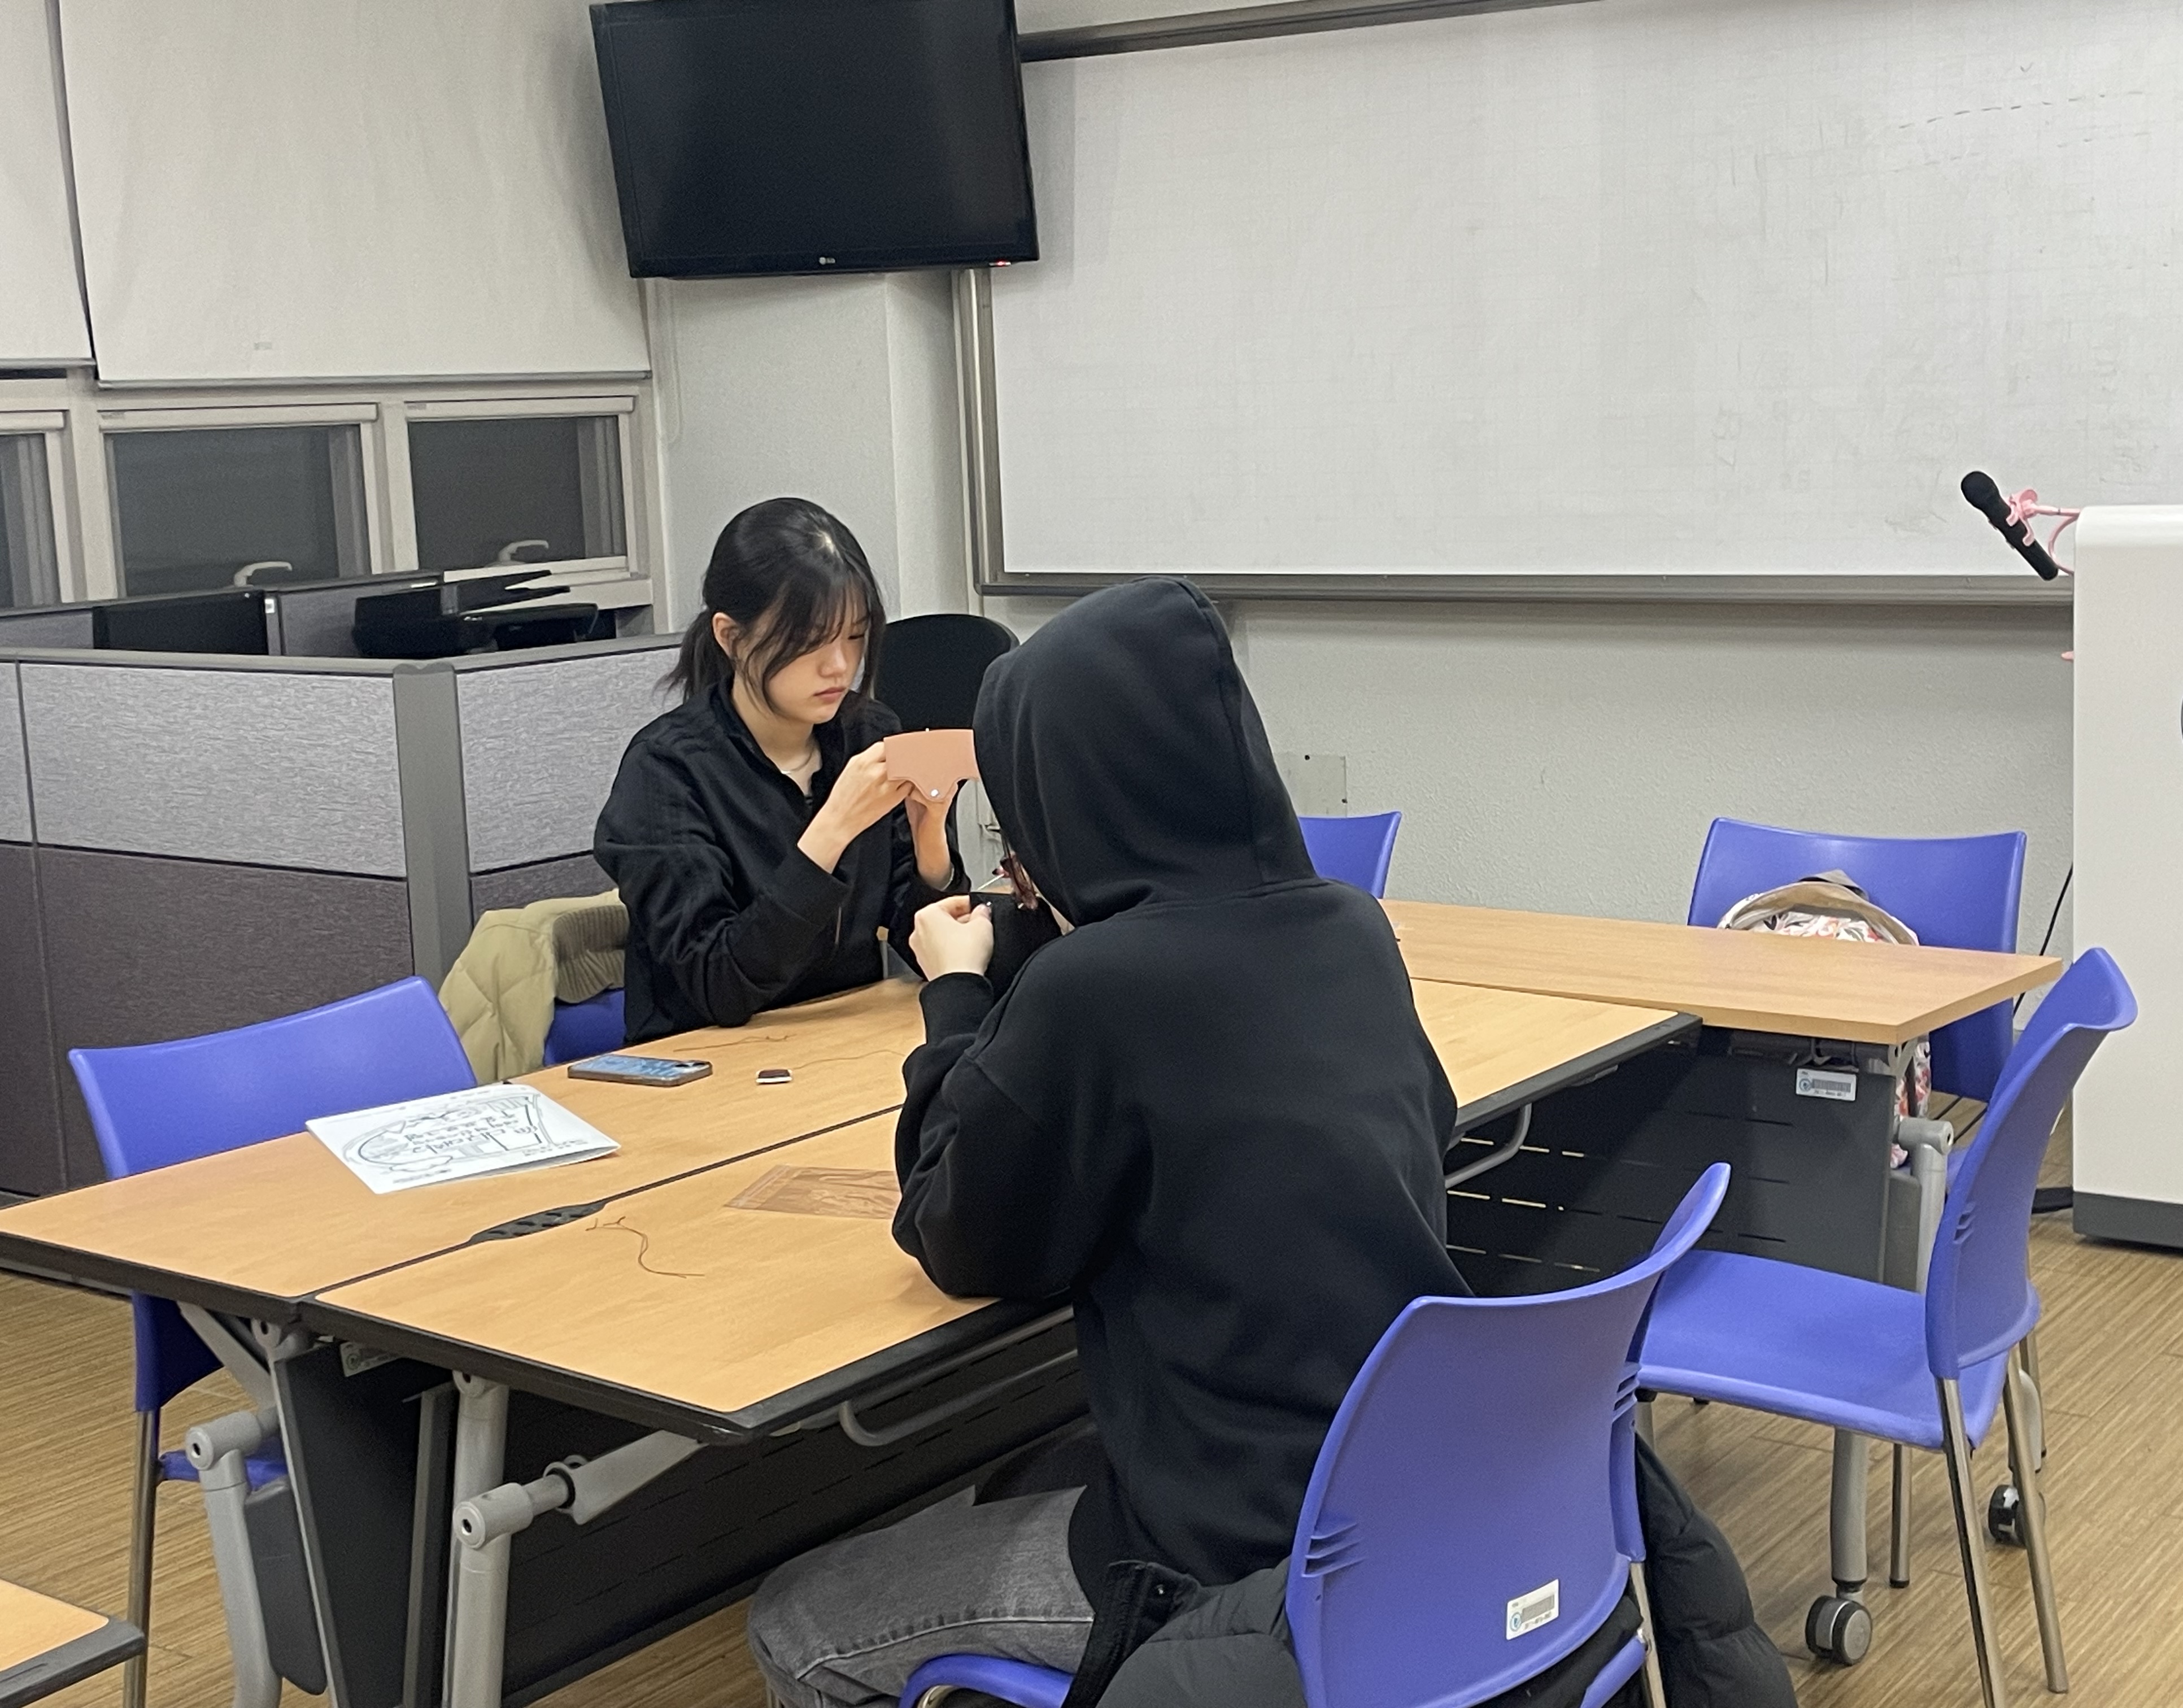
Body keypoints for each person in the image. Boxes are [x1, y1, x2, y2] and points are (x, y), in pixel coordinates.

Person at [745, 578, 1795, 1708]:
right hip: (1414, 1478)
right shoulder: (1349, 926)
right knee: (1027, 1473)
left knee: (797, 1617)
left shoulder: (1090, 992)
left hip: (1242, 1544)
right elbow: (1409, 1117)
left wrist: (956, 999)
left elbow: (956, 1233)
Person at [594, 499, 958, 1044]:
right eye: (809, 641)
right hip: (707, 1061)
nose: (840, 665)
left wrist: (931, 842)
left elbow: (925, 945)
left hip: (840, 1043)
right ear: (730, 637)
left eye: (855, 636)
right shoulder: (667, 771)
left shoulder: (868, 732)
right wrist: (831, 830)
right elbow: (719, 984)